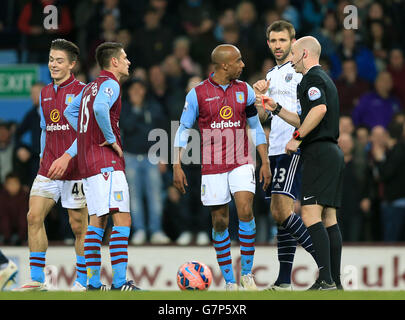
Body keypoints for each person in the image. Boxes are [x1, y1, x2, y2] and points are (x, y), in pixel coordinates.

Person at [173, 44, 271, 291]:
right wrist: (176, 163)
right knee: (219, 222)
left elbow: (255, 127)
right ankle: (229, 281)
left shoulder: (245, 91)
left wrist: (265, 160)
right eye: (238, 61)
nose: (243, 65)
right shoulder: (197, 94)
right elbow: (183, 129)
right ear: (225, 65)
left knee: (245, 209)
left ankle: (246, 275)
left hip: (241, 161)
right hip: (213, 166)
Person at [262, 36, 344, 290]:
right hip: (332, 151)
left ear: (304, 54)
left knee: (309, 213)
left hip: (318, 152)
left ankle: (325, 278)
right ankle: (335, 282)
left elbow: (318, 111)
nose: (290, 58)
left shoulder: (311, 79)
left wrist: (296, 139)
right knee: (329, 218)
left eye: (293, 53)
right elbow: (305, 117)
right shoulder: (325, 79)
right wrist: (275, 109)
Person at [57, 42, 140, 291]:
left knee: (97, 223)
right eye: (125, 57)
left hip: (88, 164)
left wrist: (86, 136)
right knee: (122, 220)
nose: (128, 62)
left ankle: (93, 283)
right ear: (113, 61)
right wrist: (110, 138)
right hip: (106, 162)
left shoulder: (91, 86)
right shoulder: (110, 84)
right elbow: (101, 107)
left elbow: (70, 111)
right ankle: (120, 282)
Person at [15, 39, 88, 292]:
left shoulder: (83, 92)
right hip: (48, 168)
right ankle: (37, 279)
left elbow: (88, 133)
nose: (53, 64)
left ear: (72, 64)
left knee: (79, 225)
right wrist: (44, 157)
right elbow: (46, 128)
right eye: (51, 59)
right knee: (33, 216)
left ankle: (82, 279)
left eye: (59, 60)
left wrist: (67, 156)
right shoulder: (45, 93)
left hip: (76, 168)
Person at [252, 20, 318, 291]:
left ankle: (327, 265)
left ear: (293, 42)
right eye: (273, 41)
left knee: (280, 211)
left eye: (283, 40)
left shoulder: (302, 72)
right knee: (282, 214)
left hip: (295, 146)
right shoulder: (271, 74)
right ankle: (283, 281)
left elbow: (309, 112)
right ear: (268, 43)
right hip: (277, 147)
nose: (278, 45)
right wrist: (259, 97)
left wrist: (300, 138)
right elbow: (265, 116)